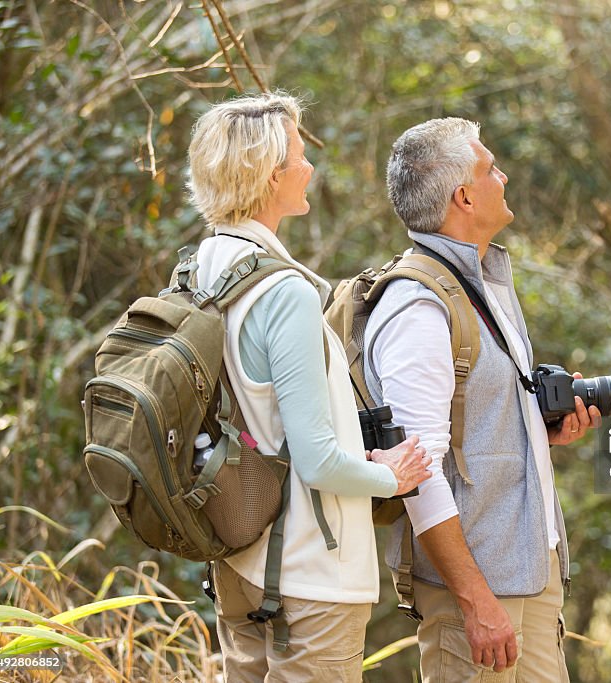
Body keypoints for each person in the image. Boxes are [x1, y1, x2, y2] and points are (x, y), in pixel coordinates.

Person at [185, 91, 432, 682]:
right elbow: (317, 461)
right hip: (309, 578)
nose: (310, 167)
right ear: (271, 176)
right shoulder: (282, 292)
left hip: (238, 563)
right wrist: (390, 477)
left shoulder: (200, 269)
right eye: (299, 155)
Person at [363, 117, 601, 682]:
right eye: (491, 168)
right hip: (476, 590)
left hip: (531, 574)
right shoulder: (419, 308)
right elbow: (417, 471)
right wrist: (473, 599)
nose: (505, 176)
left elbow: (475, 424)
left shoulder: (481, 283)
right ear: (464, 196)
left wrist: (539, 433)